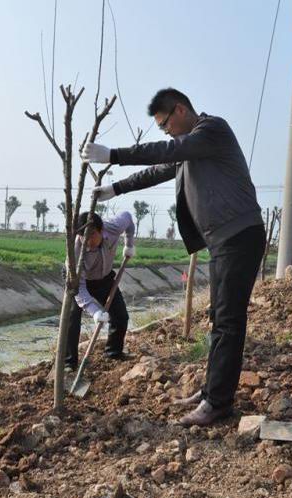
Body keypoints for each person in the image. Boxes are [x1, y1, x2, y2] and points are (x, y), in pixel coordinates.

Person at [82, 88, 265, 426]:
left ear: (180, 110)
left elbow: (168, 150)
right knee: (219, 317)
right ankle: (211, 391)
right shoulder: (190, 150)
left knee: (229, 321)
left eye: (165, 124)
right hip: (224, 241)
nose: (165, 132)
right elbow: (156, 170)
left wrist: (114, 154)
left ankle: (218, 403)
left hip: (239, 236)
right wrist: (116, 188)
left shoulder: (211, 130)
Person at [65, 211, 136, 370]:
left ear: (101, 230)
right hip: (78, 282)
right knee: (72, 318)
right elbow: (79, 288)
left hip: (104, 278)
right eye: (84, 237)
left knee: (120, 316)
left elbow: (128, 218)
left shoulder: (113, 227)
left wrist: (129, 244)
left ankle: (113, 353)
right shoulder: (75, 252)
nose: (88, 242)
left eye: (92, 236)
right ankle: (69, 363)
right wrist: (95, 311)